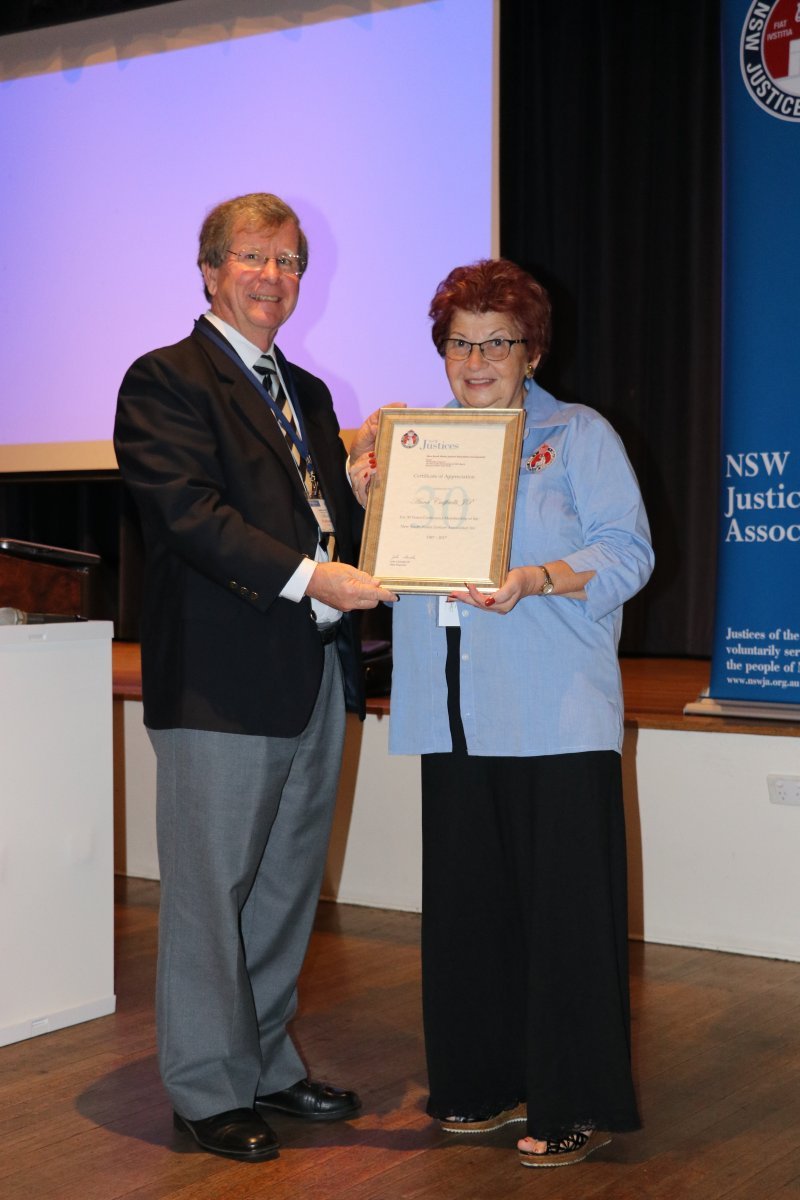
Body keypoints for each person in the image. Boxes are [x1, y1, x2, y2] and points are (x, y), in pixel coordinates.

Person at [114, 193, 395, 1163]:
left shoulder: (307, 393)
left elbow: (321, 525)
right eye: (253, 257)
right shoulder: (164, 380)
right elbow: (190, 516)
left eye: (289, 262)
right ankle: (205, 1088)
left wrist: (369, 498)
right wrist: (313, 576)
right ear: (209, 270)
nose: (274, 277)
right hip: (220, 683)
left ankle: (265, 1064)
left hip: (313, 671)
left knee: (282, 891)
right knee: (211, 895)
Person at [361, 258, 654, 1168]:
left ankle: (575, 1099)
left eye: (498, 342)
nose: (477, 360)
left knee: (566, 919)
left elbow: (628, 552)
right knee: (468, 911)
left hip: (553, 710)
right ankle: (479, 1082)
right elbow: (386, 567)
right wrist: (373, 502)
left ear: (533, 352)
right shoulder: (417, 441)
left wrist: (537, 578)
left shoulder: (579, 435)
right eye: (460, 342)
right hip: (451, 708)